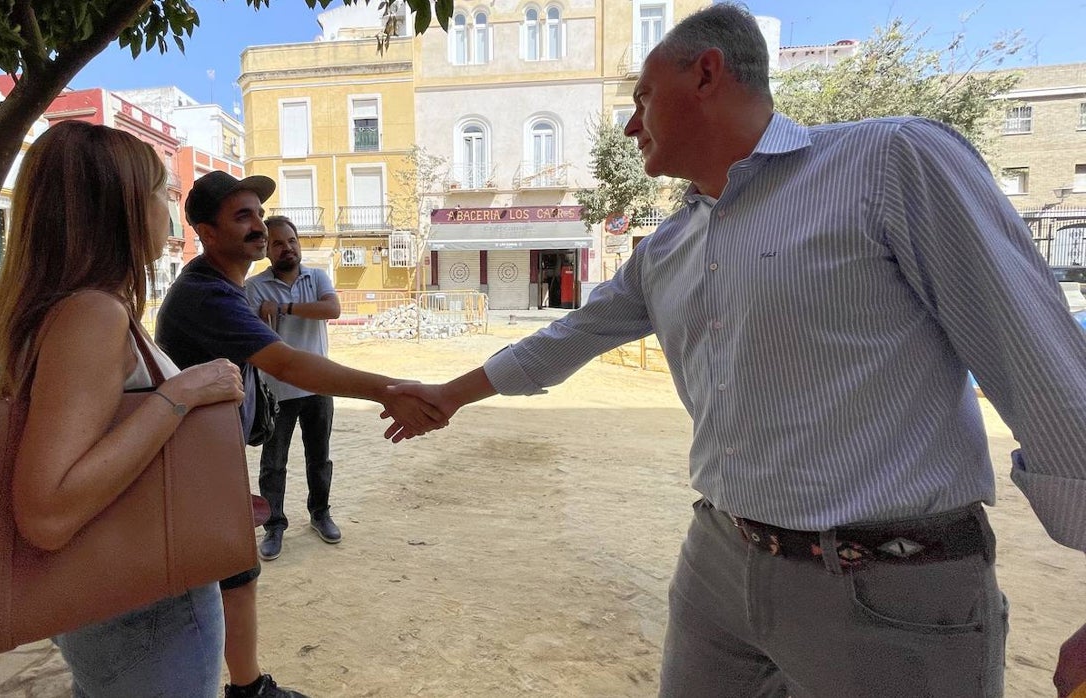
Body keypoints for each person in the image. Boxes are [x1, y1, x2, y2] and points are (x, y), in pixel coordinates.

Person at [383, 4, 1086, 697]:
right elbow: (566, 338)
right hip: (721, 559)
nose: (631, 125)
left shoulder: (888, 162)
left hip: (890, 584)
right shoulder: (669, 247)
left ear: (707, 74)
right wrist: (450, 396)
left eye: (642, 98)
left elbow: (1040, 364)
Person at [156, 170, 441, 698]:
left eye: (260, 215)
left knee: (233, 574)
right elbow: (290, 364)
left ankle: (247, 685)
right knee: (218, 579)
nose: (258, 227)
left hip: (203, 456)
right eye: (242, 216)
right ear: (205, 232)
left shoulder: (226, 287)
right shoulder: (209, 294)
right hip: (188, 462)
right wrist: (389, 389)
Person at [0, 120, 245, 697]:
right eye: (162, 193)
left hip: (115, 601)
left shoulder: (60, 308)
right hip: (145, 601)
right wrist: (178, 395)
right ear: (120, 206)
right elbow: (47, 511)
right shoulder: (93, 315)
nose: (170, 210)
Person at [245, 215, 343, 560]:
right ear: (267, 250)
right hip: (277, 392)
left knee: (319, 458)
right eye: (277, 243)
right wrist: (265, 314)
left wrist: (283, 307)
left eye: (291, 240)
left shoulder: (316, 277)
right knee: (273, 463)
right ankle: (274, 526)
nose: (287, 247)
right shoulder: (255, 287)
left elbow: (332, 309)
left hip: (319, 386)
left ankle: (320, 514)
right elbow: (256, 332)